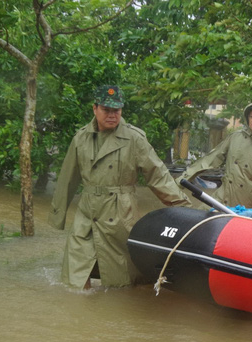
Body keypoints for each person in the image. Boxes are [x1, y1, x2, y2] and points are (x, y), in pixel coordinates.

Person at [49, 85, 192, 289]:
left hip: (119, 214)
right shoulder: (81, 138)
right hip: (87, 213)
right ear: (95, 109)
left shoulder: (134, 138)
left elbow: (157, 175)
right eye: (106, 110)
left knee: (122, 282)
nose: (112, 115)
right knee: (76, 278)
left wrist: (184, 210)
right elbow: (67, 179)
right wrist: (58, 215)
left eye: (116, 110)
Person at [179, 102, 252, 210]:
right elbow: (211, 159)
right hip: (222, 197)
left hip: (245, 205)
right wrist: (183, 179)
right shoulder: (234, 138)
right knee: (200, 217)